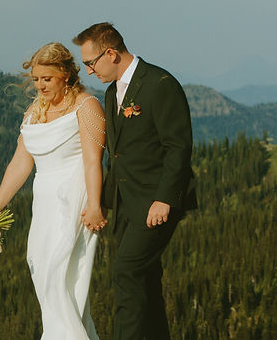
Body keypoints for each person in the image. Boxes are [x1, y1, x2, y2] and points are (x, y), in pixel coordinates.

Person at [73, 22, 197, 340]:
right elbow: (118, 155)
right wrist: (99, 203)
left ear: (111, 53)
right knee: (145, 281)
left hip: (156, 202)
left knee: (126, 273)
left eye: (90, 62)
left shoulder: (160, 84)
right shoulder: (113, 91)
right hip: (127, 206)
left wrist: (165, 199)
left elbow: (178, 147)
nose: (88, 71)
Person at [0, 42, 107, 340]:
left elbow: (94, 161)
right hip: (44, 205)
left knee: (64, 279)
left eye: (47, 79)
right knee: (41, 270)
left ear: (65, 74)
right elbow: (19, 165)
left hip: (74, 202)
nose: (40, 85)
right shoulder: (34, 111)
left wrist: (95, 205)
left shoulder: (87, 106)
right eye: (36, 79)